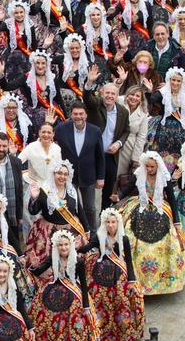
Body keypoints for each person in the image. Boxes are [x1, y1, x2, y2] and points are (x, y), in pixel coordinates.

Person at [116, 151, 185, 295]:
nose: (149, 169)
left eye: (152, 167)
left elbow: (172, 200)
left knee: (171, 242)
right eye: (147, 166)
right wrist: (118, 196)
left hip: (160, 208)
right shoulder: (139, 174)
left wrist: (176, 221)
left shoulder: (164, 178)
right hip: (140, 207)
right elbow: (128, 189)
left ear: (157, 166)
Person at [77, 208, 145, 341]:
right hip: (99, 271)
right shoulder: (99, 236)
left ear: (118, 223)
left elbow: (129, 261)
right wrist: (77, 247)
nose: (111, 225)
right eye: (108, 222)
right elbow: (87, 248)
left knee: (123, 299)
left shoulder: (123, 239)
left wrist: (131, 281)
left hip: (119, 272)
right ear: (104, 223)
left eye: (113, 222)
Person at [24, 161, 90, 276]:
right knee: (48, 263)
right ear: (53, 174)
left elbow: (79, 210)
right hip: (47, 232)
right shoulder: (45, 190)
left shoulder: (72, 190)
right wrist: (34, 198)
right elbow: (33, 211)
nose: (62, 176)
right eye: (59, 173)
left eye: (65, 174)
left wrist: (87, 229)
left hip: (70, 230)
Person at [27, 230, 95, 341]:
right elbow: (38, 271)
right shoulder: (52, 258)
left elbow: (83, 285)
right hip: (52, 290)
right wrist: (34, 265)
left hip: (73, 293)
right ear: (56, 246)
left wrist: (86, 307)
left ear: (71, 245)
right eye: (60, 245)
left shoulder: (78, 262)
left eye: (66, 244)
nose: (63, 248)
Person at [54, 102, 105, 230]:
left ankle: (92, 233)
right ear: (71, 115)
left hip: (88, 176)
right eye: (75, 114)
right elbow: (53, 147)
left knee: (90, 208)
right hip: (68, 177)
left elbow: (100, 156)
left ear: (86, 115)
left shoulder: (95, 131)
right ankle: (75, 232)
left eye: (81, 114)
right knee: (71, 206)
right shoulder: (61, 129)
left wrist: (101, 177)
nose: (78, 117)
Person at [84, 81, 129, 211]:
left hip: (110, 156)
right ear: (102, 93)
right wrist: (89, 84)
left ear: (117, 96)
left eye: (113, 93)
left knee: (109, 188)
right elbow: (88, 99)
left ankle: (104, 216)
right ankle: (88, 215)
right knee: (89, 188)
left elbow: (127, 130)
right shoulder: (96, 106)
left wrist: (119, 143)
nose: (109, 96)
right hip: (93, 155)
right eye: (107, 92)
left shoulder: (123, 111)